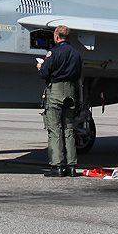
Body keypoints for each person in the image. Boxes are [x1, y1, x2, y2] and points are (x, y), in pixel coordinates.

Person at [36, 25, 83, 177]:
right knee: (69, 130)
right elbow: (78, 74)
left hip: (55, 94)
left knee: (55, 130)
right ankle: (71, 166)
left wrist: (40, 66)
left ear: (56, 37)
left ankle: (57, 166)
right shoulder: (76, 54)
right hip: (70, 94)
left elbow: (44, 73)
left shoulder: (53, 53)